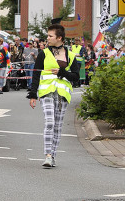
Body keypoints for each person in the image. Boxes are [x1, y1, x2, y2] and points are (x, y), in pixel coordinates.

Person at [28, 24, 79, 167]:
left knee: (57, 127)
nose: (47, 38)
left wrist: (62, 72)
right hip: (46, 92)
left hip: (63, 95)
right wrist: (33, 94)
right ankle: (48, 155)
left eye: (50, 36)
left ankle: (53, 156)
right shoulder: (43, 53)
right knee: (50, 122)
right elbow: (36, 74)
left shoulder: (70, 56)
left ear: (59, 38)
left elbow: (75, 76)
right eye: (48, 35)